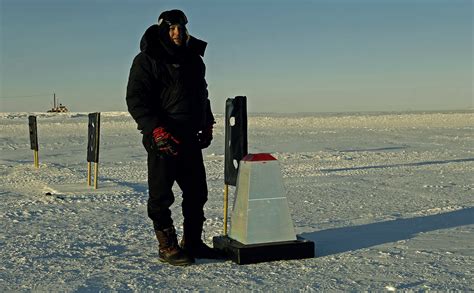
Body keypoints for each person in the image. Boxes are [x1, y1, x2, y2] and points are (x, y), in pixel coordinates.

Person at [126, 9, 220, 266]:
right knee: (161, 196)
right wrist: (155, 129)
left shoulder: (193, 59)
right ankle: (167, 246)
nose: (176, 33)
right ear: (162, 30)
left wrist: (207, 121)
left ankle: (193, 242)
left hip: (189, 136)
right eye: (171, 28)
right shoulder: (147, 59)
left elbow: (202, 93)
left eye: (180, 27)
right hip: (163, 138)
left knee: (197, 192)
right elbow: (136, 99)